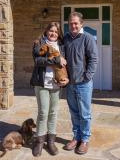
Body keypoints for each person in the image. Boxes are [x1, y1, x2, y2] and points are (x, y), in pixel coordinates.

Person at [63, 12, 98, 155]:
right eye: (71, 23)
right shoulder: (66, 38)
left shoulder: (88, 38)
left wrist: (87, 76)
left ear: (81, 24)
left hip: (83, 83)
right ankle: (76, 137)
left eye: (76, 23)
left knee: (85, 113)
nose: (73, 25)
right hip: (70, 83)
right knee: (74, 112)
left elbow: (93, 59)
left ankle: (84, 139)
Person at [30, 22, 67, 157]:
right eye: (51, 31)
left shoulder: (62, 45)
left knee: (53, 112)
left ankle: (51, 141)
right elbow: (38, 61)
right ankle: (39, 141)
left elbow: (66, 64)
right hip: (42, 83)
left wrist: (66, 79)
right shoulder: (38, 43)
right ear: (46, 31)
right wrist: (57, 59)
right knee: (43, 113)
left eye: (56, 32)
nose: (53, 34)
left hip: (57, 84)